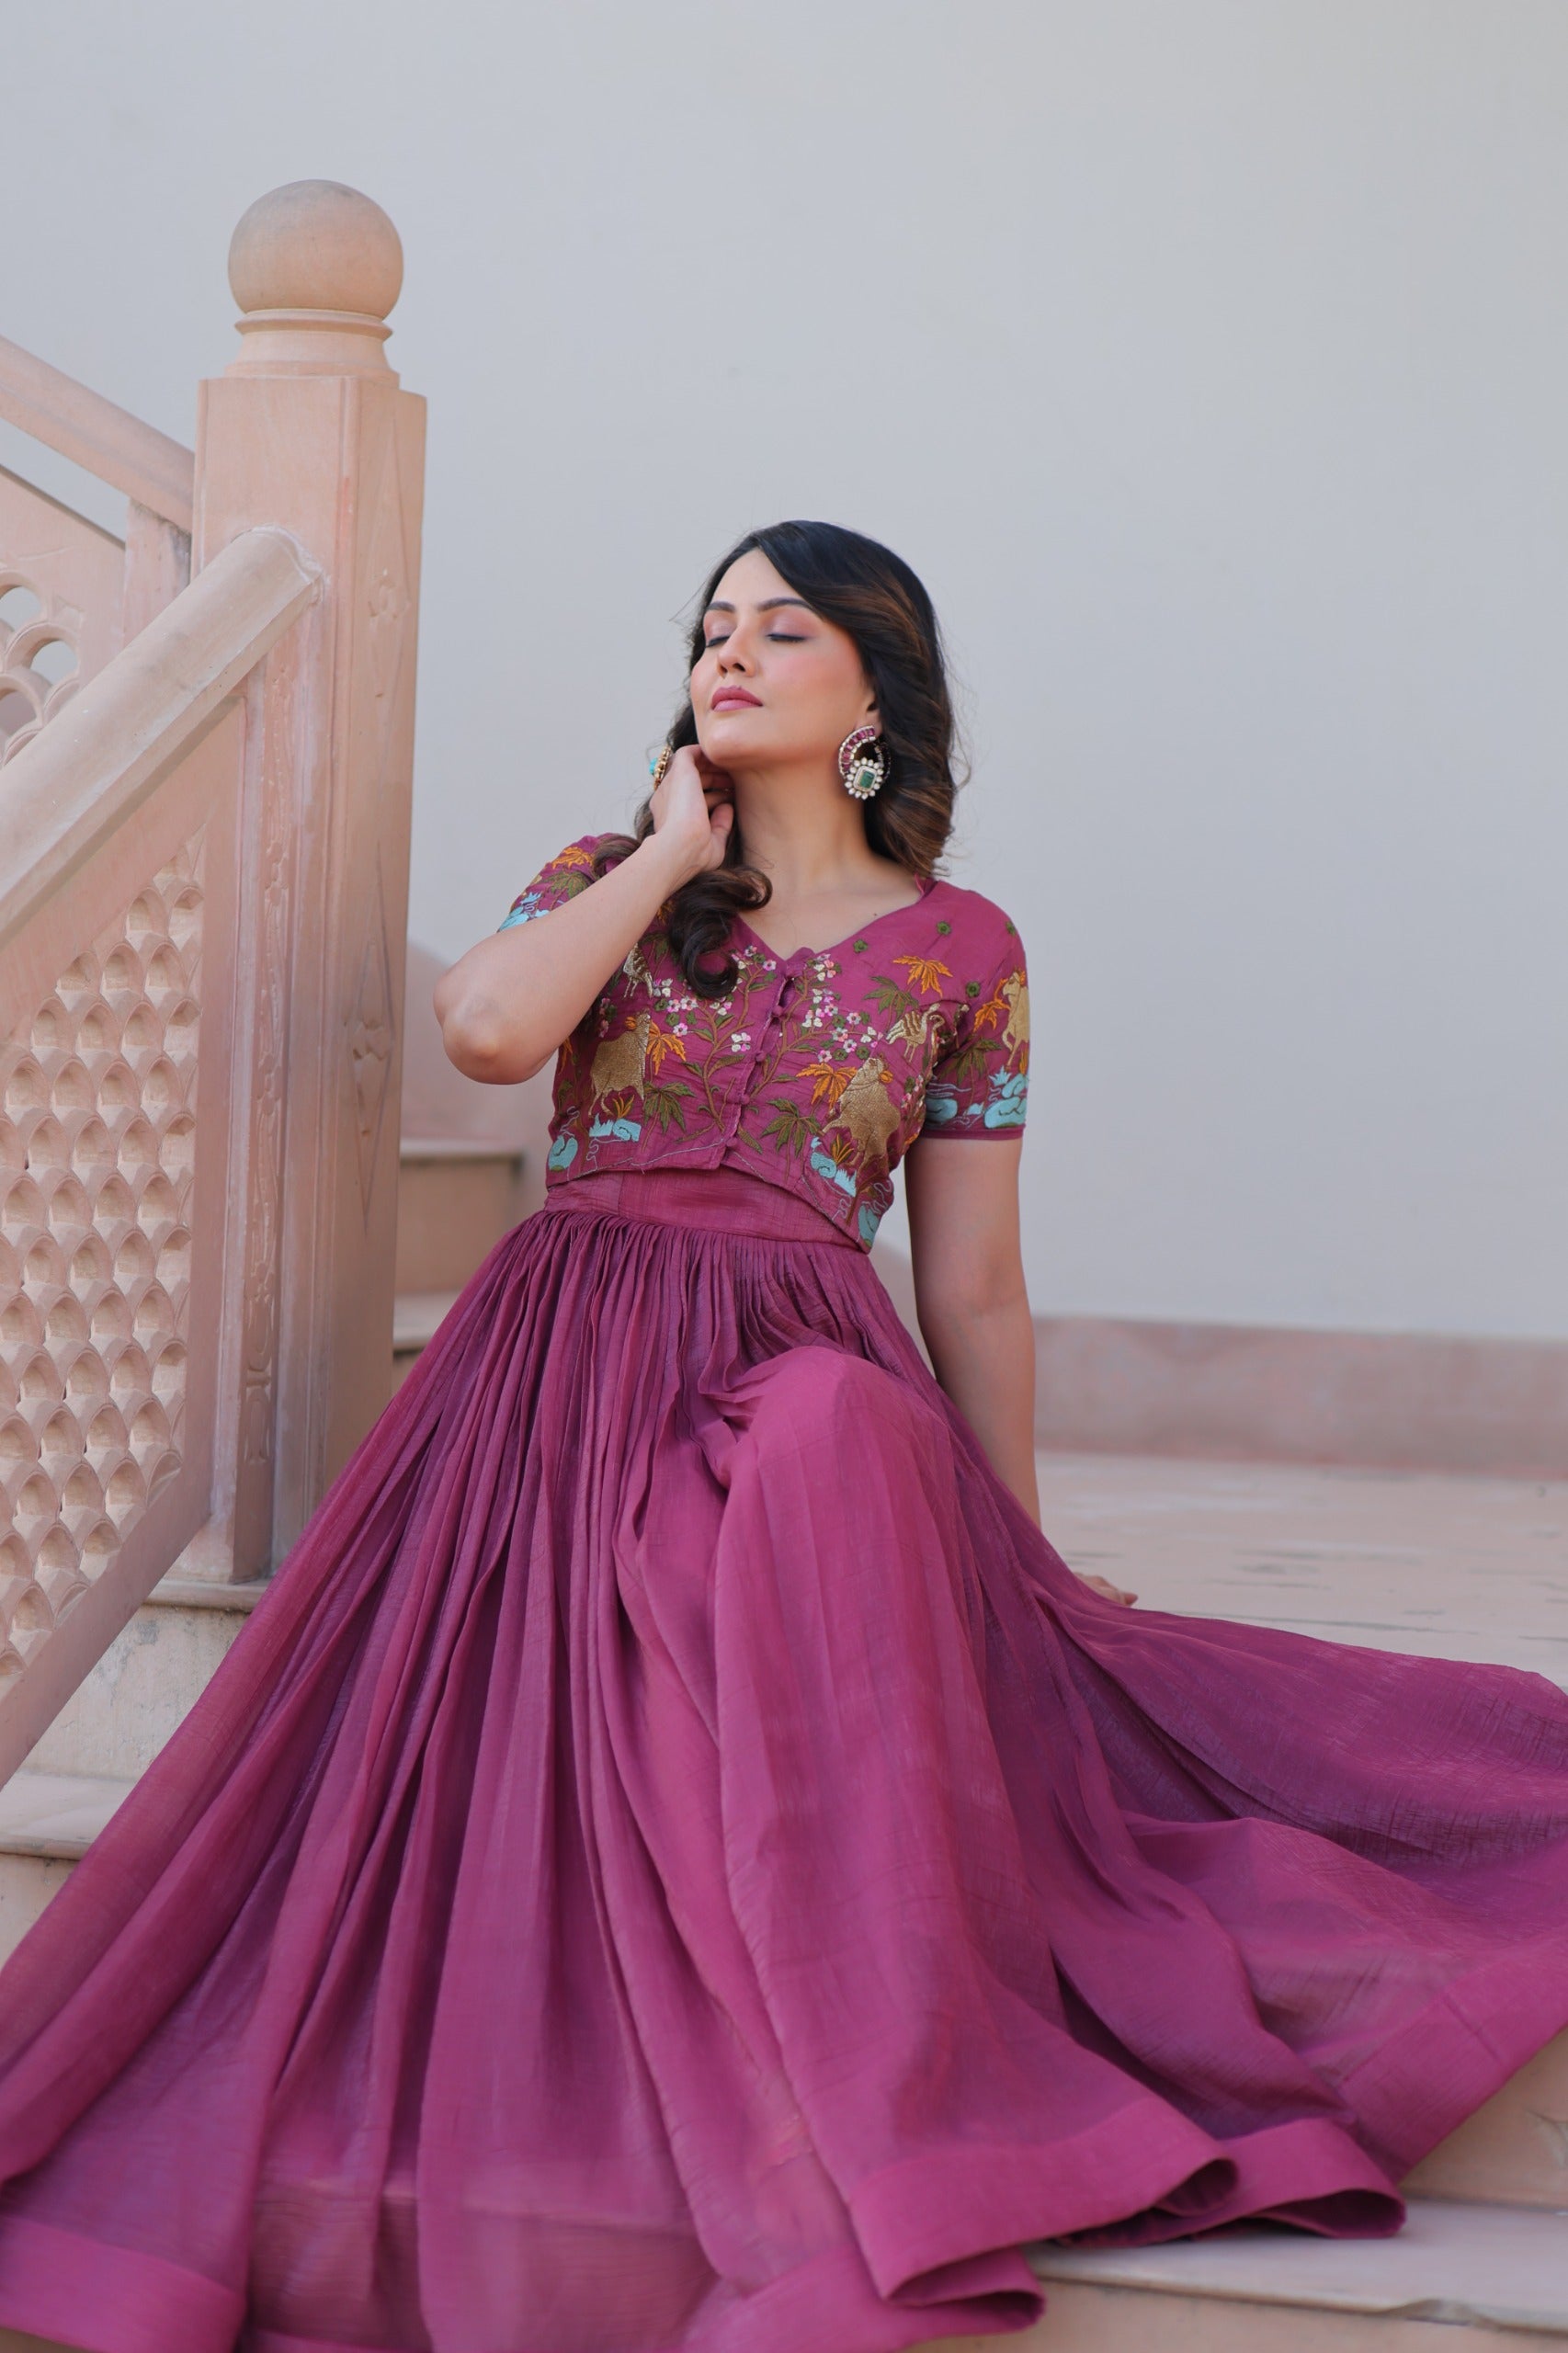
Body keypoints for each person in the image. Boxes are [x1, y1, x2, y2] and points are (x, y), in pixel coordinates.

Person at [0, 520, 1563, 2353]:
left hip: (806, 1365)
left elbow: (972, 1283)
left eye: (782, 626)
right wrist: (669, 847)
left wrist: (1017, 1542)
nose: (728, 652)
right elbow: (490, 1028)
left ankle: (898, 2089)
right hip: (558, 1371)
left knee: (826, 1433)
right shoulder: (612, 875)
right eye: (710, 627)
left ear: (876, 692)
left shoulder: (966, 950)